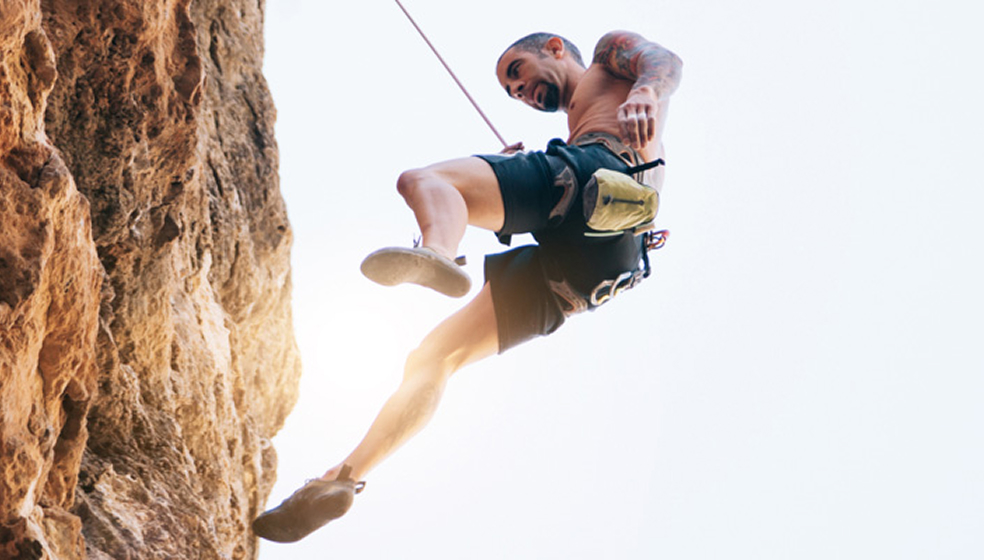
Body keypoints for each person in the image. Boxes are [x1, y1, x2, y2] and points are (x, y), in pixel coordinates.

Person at [252, 30, 682, 543]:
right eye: (511, 91)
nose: (519, 91)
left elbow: (664, 60)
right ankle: (342, 479)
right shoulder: (581, 124)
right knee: (434, 358)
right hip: (604, 266)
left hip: (594, 179)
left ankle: (437, 254)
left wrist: (645, 90)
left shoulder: (609, 60)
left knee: (425, 180)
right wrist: (527, 168)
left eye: (517, 72)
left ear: (554, 49)